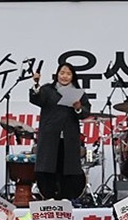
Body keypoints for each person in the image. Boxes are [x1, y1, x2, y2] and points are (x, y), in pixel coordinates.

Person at [30, 64, 90, 201]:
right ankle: (48, 196)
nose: (64, 76)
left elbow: (85, 112)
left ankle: (66, 199)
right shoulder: (47, 90)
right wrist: (36, 84)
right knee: (48, 168)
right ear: (57, 74)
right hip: (50, 137)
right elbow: (36, 99)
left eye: (68, 74)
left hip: (69, 138)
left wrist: (78, 108)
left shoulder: (78, 93)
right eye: (62, 73)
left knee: (68, 169)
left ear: (73, 76)